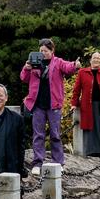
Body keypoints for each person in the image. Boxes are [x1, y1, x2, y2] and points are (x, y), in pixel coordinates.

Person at [20, 38, 80, 175]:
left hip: (54, 104)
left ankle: (58, 162)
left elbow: (68, 67)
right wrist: (26, 68)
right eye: (41, 50)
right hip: (37, 103)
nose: (43, 53)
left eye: (46, 51)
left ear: (52, 51)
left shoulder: (58, 62)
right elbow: (24, 78)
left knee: (55, 134)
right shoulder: (34, 62)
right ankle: (37, 162)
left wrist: (75, 65)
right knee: (38, 134)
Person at [70, 51, 100, 164]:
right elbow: (77, 90)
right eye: (94, 58)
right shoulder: (82, 72)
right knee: (93, 130)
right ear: (90, 60)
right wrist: (74, 104)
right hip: (89, 107)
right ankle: (99, 156)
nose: (96, 59)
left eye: (98, 58)